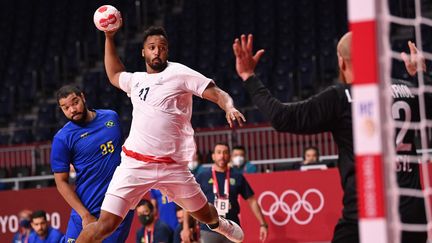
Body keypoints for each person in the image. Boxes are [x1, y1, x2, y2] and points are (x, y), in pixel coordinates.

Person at [233, 33, 427, 242]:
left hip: (366, 213)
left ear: (342, 62)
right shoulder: (408, 90)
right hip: (413, 216)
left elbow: (281, 118)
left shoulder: (341, 97)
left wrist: (249, 76)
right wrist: (422, 76)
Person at [76, 24, 245, 243]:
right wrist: (109, 37)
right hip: (135, 164)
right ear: (143, 51)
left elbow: (217, 93)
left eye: (162, 47)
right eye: (152, 47)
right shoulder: (137, 80)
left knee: (205, 215)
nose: (157, 51)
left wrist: (229, 107)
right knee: (105, 224)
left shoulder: (180, 73)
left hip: (172, 166)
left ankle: (219, 224)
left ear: (167, 51)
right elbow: (115, 74)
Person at [50, 85, 134, 242]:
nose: (72, 110)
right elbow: (60, 182)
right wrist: (84, 214)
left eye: (75, 102)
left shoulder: (111, 117)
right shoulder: (62, 139)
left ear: (83, 97)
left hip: (117, 206)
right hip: (87, 208)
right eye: (65, 108)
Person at [193, 142, 268, 243]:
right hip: (208, 229)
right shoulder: (202, 176)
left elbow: (252, 201)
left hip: (232, 229)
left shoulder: (237, 176)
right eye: (219, 152)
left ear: (229, 156)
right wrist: (186, 227)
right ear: (213, 156)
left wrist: (263, 224)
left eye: (225, 153)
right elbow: (191, 200)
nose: (222, 156)